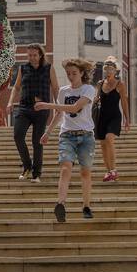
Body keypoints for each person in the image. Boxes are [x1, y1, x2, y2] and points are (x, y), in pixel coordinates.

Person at [35, 58, 97, 223]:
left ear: (82, 73)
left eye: (74, 73)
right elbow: (60, 114)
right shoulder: (63, 91)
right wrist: (47, 132)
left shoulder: (89, 89)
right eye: (68, 73)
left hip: (86, 136)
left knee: (85, 172)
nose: (70, 76)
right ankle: (60, 204)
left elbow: (75, 107)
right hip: (67, 135)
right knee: (65, 168)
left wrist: (47, 105)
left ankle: (86, 206)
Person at [7, 44, 58, 182]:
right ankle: (27, 166)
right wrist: (10, 102)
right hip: (24, 108)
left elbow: (55, 88)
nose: (32, 58)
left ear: (40, 55)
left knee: (37, 141)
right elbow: (16, 87)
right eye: (29, 55)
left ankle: (36, 174)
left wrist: (58, 105)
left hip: (41, 109)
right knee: (18, 135)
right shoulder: (23, 68)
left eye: (34, 55)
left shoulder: (48, 68)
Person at [94, 56, 129, 182]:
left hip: (114, 116)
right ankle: (109, 171)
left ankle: (114, 170)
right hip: (102, 117)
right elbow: (96, 100)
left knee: (109, 139)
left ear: (115, 71)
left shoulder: (120, 85)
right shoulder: (100, 84)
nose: (108, 71)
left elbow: (124, 102)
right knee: (103, 144)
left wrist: (127, 119)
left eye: (110, 69)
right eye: (106, 69)